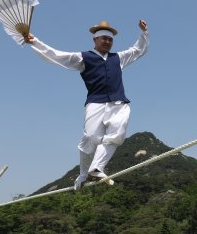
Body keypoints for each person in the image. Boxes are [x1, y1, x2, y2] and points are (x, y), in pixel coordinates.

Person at [24, 20, 149, 190]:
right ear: (95, 40)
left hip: (119, 103)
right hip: (95, 102)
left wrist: (144, 33)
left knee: (116, 135)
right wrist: (35, 41)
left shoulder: (118, 58)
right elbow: (57, 55)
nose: (107, 42)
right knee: (91, 138)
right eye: (104, 38)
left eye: (110, 39)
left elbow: (137, 50)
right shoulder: (84, 57)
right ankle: (84, 174)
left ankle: (97, 168)